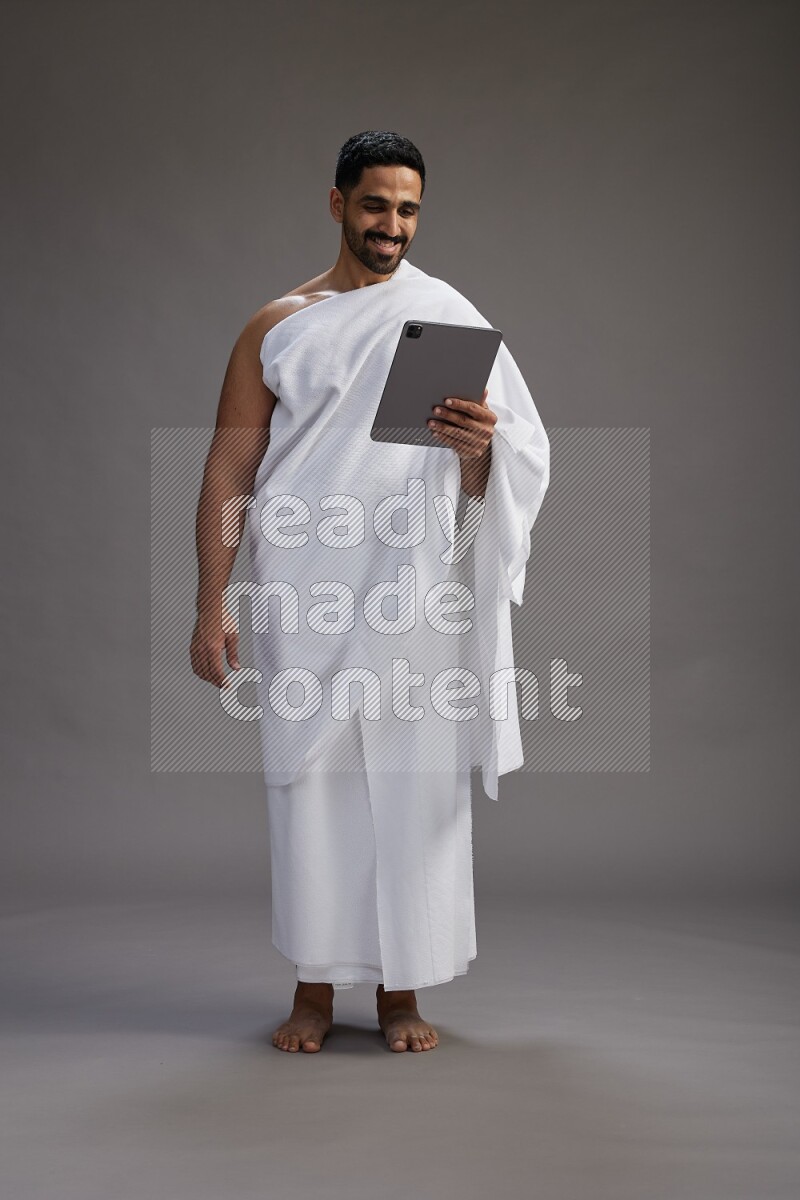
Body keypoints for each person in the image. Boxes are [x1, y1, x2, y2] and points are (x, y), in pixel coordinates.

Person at [190, 131, 549, 1054]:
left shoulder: (448, 317)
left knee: (412, 781)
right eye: (376, 205)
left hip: (414, 586)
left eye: (409, 209)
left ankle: (400, 991)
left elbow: (508, 466)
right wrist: (210, 603)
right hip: (302, 589)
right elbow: (230, 469)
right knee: (310, 788)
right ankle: (313, 989)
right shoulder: (277, 326)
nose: (393, 225)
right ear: (338, 203)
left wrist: (479, 452)